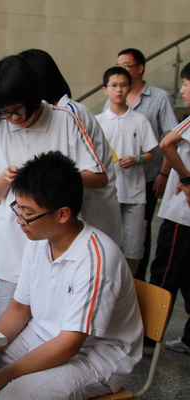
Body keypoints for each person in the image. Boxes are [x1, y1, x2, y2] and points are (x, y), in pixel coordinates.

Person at [0, 151, 142, 400]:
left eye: (28, 214)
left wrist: (2, 376)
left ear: (62, 214)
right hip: (41, 336)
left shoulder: (95, 259)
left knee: (12, 396)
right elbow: (20, 308)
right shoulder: (39, 240)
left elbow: (70, 343)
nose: (19, 221)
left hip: (93, 356)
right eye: (18, 209)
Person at [0, 56, 107, 319]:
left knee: (53, 320)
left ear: (34, 95)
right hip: (13, 240)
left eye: (19, 109)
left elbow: (99, 177)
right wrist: (3, 180)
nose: (14, 118)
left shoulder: (65, 119)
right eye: (5, 113)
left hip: (57, 239)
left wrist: (53, 176)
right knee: (9, 318)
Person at [18, 48, 121, 245]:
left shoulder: (70, 113)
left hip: (92, 211)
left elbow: (95, 176)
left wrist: (47, 175)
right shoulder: (49, 115)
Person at [110, 48, 179, 281]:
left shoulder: (158, 99)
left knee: (139, 235)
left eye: (126, 66)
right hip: (115, 184)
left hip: (146, 179)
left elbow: (166, 141)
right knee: (115, 234)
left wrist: (162, 173)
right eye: (118, 66)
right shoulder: (108, 109)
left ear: (140, 68)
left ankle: (135, 281)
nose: (119, 88)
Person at [146, 62, 190, 355]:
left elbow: (166, 144)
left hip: (182, 215)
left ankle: (149, 339)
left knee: (164, 273)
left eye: (186, 84)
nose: (183, 89)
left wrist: (185, 178)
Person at [96, 67, 158, 273]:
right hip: (107, 195)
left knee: (134, 247)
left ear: (130, 88)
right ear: (105, 89)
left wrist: (136, 159)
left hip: (134, 194)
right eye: (114, 85)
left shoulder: (140, 120)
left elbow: (151, 153)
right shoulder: (98, 121)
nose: (119, 90)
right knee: (106, 245)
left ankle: (130, 284)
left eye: (123, 85)